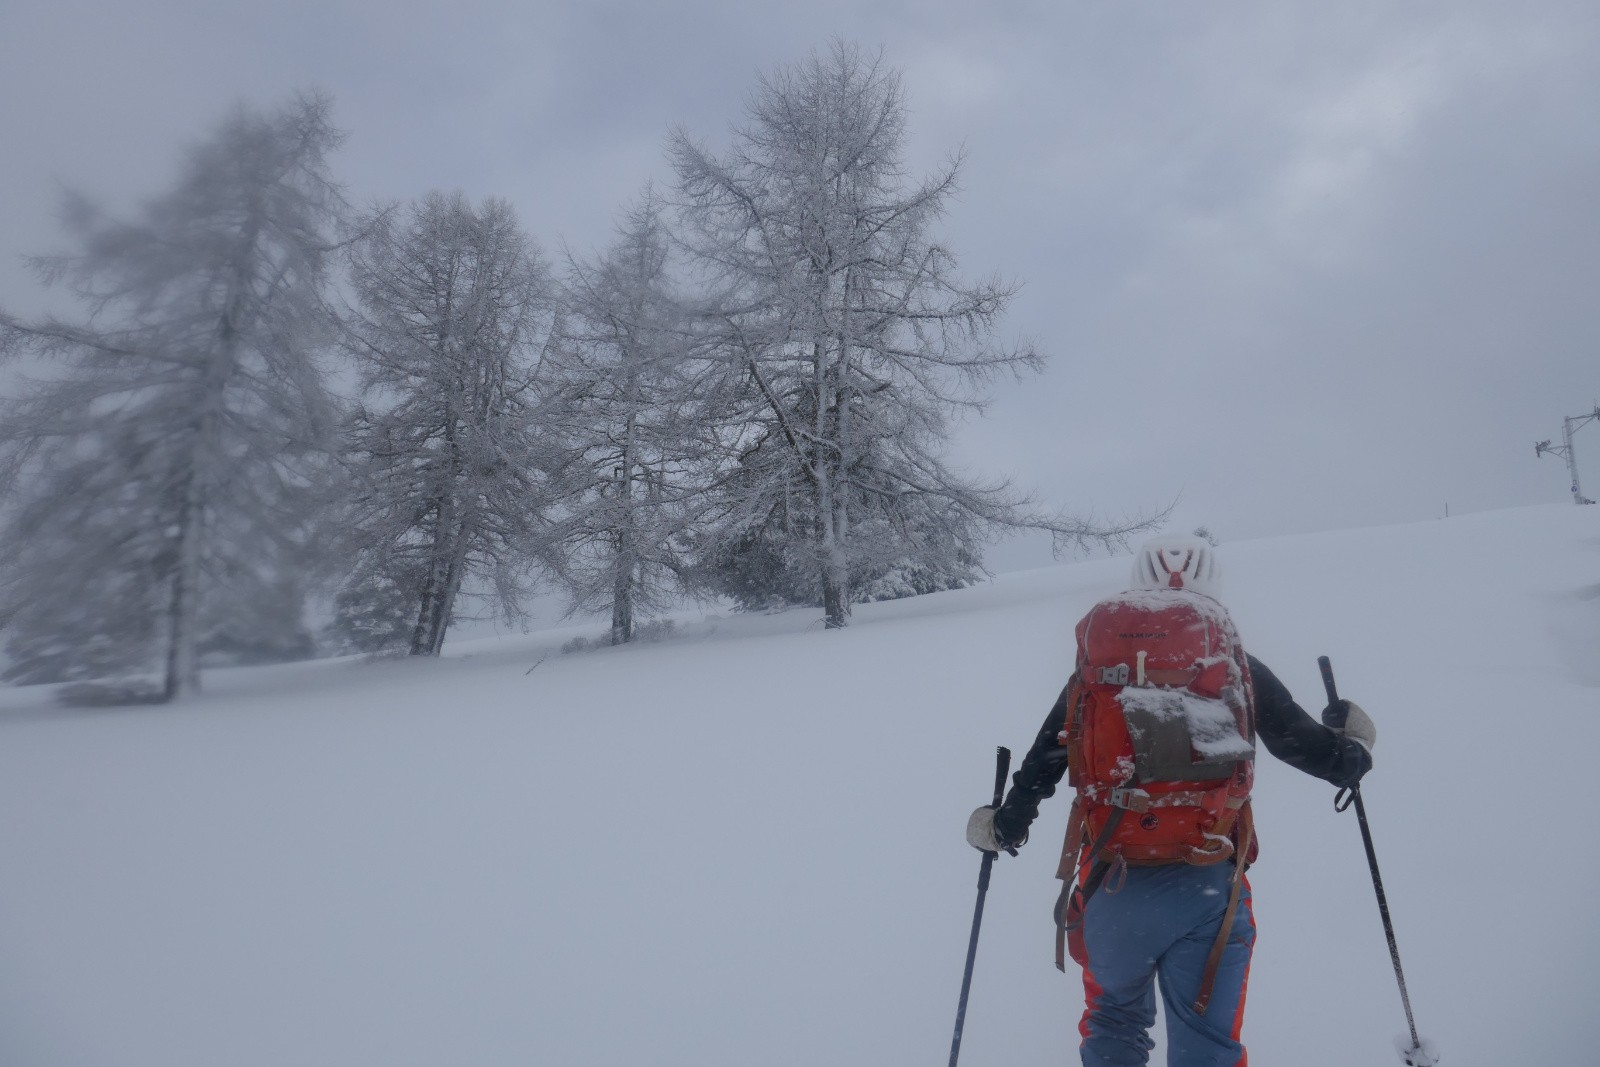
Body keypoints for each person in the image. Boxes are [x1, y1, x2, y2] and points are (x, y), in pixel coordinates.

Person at [966, 538, 1376, 1067]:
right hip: (1208, 891)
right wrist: (1355, 743)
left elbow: (1045, 761)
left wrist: (1001, 826)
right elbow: (1322, 757)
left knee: (1114, 1025)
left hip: (1110, 888)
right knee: (1207, 1047)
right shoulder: (1235, 667)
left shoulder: (1095, 675)